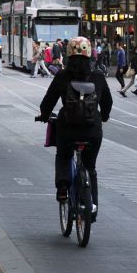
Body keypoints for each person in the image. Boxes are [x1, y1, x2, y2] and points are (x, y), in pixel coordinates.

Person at [38, 37, 112, 221]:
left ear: (68, 55)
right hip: (92, 129)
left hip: (67, 128)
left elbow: (48, 101)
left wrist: (44, 115)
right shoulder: (98, 76)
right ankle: (92, 208)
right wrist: (103, 116)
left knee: (63, 155)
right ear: (90, 54)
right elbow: (108, 103)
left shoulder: (62, 76)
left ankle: (63, 186)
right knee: (90, 168)